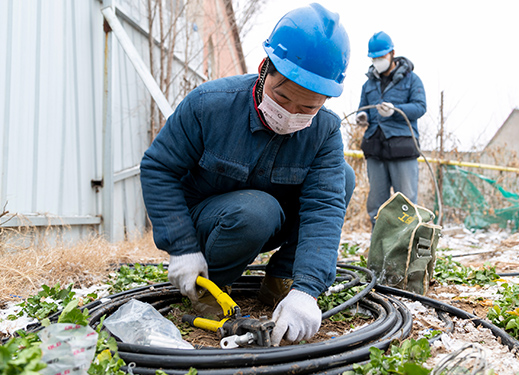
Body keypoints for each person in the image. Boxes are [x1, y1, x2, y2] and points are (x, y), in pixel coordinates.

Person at [139, 3, 354, 346]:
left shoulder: (325, 131)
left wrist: (308, 290)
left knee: (342, 178)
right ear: (263, 71)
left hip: (267, 221)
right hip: (210, 223)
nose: (290, 113)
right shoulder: (209, 105)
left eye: (308, 108)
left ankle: (281, 279)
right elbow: (158, 167)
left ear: (326, 99)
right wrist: (181, 248)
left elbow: (323, 206)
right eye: (282, 98)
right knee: (257, 209)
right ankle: (209, 286)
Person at [356, 31, 426, 228]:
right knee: (377, 204)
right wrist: (363, 117)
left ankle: (406, 246)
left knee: (406, 203)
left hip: (402, 146)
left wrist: (395, 110)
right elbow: (363, 109)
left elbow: (420, 107)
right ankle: (379, 245)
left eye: (381, 56)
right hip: (374, 146)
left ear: (392, 53)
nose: (378, 61)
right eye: (374, 57)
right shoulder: (368, 84)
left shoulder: (412, 80)